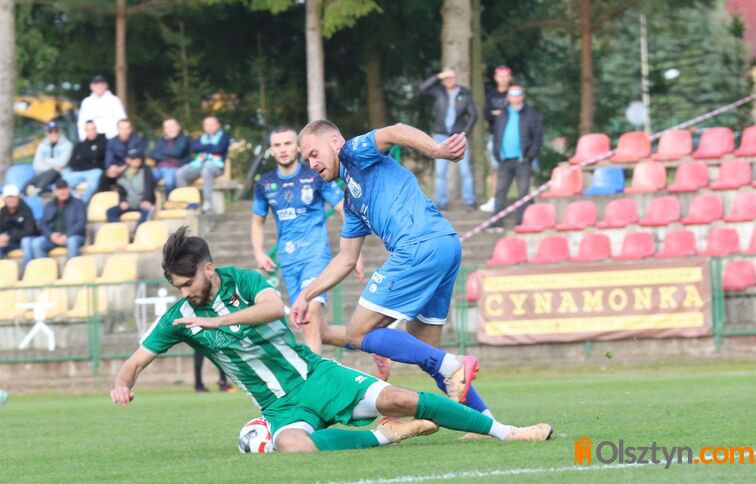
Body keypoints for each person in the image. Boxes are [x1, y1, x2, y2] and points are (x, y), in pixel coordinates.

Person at [109, 227, 552, 453]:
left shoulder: (242, 281)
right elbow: (135, 359)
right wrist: (123, 381)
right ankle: (386, 438)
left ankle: (507, 432)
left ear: (208, 269)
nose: (184, 294)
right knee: (290, 446)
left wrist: (211, 325)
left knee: (401, 397)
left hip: (316, 375)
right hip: (280, 407)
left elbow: (272, 308)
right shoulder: (180, 315)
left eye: (187, 284)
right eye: (177, 288)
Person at [291, 121, 494, 418]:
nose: (312, 164)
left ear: (334, 141)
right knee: (427, 351)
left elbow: (395, 131)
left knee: (359, 332)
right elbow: (346, 259)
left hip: (418, 247)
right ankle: (484, 419)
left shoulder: (353, 152)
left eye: (313, 154)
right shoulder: (352, 201)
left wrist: (437, 150)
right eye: (307, 160)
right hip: (445, 245)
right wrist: (306, 295)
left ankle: (453, 364)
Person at [251, 127, 382, 371]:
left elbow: (344, 208)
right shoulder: (265, 184)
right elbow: (258, 221)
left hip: (316, 256)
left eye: (288, 143)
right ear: (271, 150)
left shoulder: (314, 175)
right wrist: (259, 251)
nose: (283, 149)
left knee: (309, 313)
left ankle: (314, 390)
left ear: (297, 148)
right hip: (289, 262)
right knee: (322, 332)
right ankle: (377, 345)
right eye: (277, 145)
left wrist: (356, 253)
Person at [419, 68, 477, 211]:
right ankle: (441, 203)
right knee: (440, 172)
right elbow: (422, 88)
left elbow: (473, 115)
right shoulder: (439, 92)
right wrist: (439, 76)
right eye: (446, 78)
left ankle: (470, 202)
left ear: (456, 78)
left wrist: (465, 133)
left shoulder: (464, 93)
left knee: (465, 171)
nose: (449, 80)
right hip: (441, 136)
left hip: (459, 136)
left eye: (451, 77)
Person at [488, 85, 543, 231]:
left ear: (522, 96)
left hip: (523, 161)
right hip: (505, 160)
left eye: (518, 94)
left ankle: (522, 222)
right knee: (500, 191)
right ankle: (496, 223)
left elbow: (537, 137)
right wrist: (497, 154)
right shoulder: (503, 115)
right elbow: (496, 136)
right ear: (508, 97)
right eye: (512, 94)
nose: (515, 97)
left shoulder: (531, 114)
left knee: (523, 192)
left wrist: (530, 155)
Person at [21, 179, 86, 267]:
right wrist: (51, 235)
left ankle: (72, 270)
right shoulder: (50, 205)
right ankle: (46, 270)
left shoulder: (79, 204)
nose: (62, 192)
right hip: (53, 237)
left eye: (64, 189)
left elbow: (81, 223)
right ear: (55, 191)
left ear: (68, 189)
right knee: (37, 243)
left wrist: (67, 235)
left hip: (72, 236)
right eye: (59, 189)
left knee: (72, 242)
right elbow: (43, 224)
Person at [177, 116, 230, 213]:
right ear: (204, 127)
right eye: (207, 125)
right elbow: (193, 148)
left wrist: (203, 147)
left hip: (216, 166)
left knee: (206, 170)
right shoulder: (201, 137)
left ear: (218, 125)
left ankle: (207, 202)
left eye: (212, 124)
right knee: (181, 173)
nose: (209, 127)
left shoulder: (224, 137)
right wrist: (210, 146)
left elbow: (219, 149)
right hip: (199, 164)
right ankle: (187, 202)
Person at [480, 65, 513, 214]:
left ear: (510, 77)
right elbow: (487, 113)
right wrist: (500, 114)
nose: (503, 79)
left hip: (512, 137)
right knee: (495, 169)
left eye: (506, 76)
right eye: (500, 76)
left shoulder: (514, 93)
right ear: (496, 78)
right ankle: (495, 198)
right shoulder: (491, 95)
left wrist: (500, 113)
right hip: (495, 136)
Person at [105, 148, 156, 227]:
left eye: (138, 157)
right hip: (128, 203)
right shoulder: (122, 173)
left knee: (147, 213)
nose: (137, 160)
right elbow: (121, 190)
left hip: (142, 202)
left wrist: (147, 200)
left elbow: (149, 187)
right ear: (127, 160)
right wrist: (123, 201)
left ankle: (137, 233)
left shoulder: (146, 170)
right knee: (111, 212)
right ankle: (121, 231)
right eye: (133, 158)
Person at [61, 120, 106, 203]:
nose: (91, 132)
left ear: (96, 129)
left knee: (92, 185)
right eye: (88, 130)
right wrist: (91, 161)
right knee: (62, 182)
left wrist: (83, 160)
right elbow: (72, 163)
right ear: (85, 131)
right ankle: (75, 199)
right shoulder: (80, 145)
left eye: (93, 129)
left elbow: (99, 158)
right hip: (79, 172)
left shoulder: (104, 142)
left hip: (95, 171)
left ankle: (82, 203)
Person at [24, 122, 73, 196]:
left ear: (59, 131)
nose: (53, 133)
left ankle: (38, 190)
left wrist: (45, 160)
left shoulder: (67, 144)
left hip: (61, 175)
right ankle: (25, 193)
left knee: (52, 173)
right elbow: (36, 164)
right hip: (46, 174)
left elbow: (62, 163)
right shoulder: (42, 145)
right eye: (50, 131)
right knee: (27, 184)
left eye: (56, 131)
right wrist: (53, 167)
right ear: (46, 133)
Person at [76, 75, 127, 141]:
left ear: (106, 85)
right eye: (96, 84)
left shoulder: (114, 100)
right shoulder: (86, 102)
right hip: (92, 139)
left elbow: (122, 119)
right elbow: (81, 122)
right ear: (91, 86)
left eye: (102, 84)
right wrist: (83, 139)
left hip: (111, 138)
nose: (99, 86)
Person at [149, 118, 191, 195]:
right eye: (167, 127)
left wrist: (161, 152)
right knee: (146, 178)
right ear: (164, 130)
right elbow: (153, 153)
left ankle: (169, 203)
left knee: (169, 182)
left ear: (178, 127)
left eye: (172, 126)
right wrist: (169, 156)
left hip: (174, 167)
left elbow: (177, 152)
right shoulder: (161, 140)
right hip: (158, 167)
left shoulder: (184, 139)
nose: (170, 129)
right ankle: (149, 204)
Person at [103, 119, 145, 191]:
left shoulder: (138, 141)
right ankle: (104, 200)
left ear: (131, 129)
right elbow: (108, 161)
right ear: (118, 129)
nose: (124, 132)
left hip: (133, 169)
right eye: (121, 129)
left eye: (127, 129)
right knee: (104, 176)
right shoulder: (112, 142)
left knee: (131, 174)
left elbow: (138, 161)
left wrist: (123, 168)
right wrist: (112, 167)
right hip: (116, 169)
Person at [0, 185, 38, 258]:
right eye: (8, 197)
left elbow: (29, 231)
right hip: (9, 242)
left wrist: (10, 236)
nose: (11, 200)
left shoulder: (26, 210)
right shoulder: (3, 211)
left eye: (13, 197)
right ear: (4, 199)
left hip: (24, 240)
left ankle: (26, 268)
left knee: (26, 242)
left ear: (18, 197)